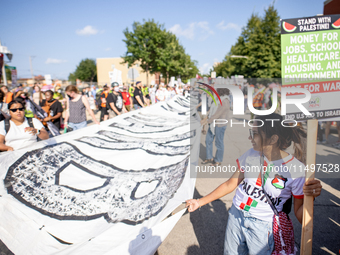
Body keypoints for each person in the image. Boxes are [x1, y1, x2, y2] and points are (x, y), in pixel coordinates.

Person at [186, 113, 322, 255]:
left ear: (273, 138)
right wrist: (199, 202)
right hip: (236, 216)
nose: (250, 137)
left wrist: (311, 196)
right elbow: (230, 184)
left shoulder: (296, 169)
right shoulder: (250, 154)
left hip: (263, 228)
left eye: (255, 133)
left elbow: (301, 216)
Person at [200, 88, 230, 166]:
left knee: (219, 143)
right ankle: (209, 157)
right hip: (213, 124)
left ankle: (218, 160)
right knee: (208, 140)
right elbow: (211, 111)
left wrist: (207, 121)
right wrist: (205, 119)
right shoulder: (218, 100)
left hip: (219, 125)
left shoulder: (224, 101)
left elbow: (217, 114)